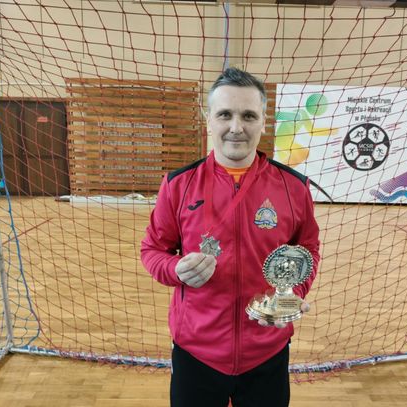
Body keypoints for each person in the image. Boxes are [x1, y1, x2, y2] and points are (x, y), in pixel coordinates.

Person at [141, 67, 320, 407]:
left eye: (248, 116)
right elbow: (153, 249)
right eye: (225, 114)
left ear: (263, 122)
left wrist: (292, 293)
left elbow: (307, 248)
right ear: (208, 119)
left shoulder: (294, 187)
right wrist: (176, 269)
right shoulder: (178, 185)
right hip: (196, 352)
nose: (236, 127)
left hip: (267, 351)